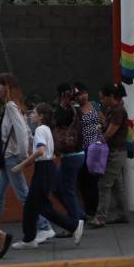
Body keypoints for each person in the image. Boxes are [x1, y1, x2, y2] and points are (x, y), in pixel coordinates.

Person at [11, 103, 84, 249]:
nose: (31, 115)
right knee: (33, 205)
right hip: (45, 167)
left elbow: (40, 151)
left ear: (41, 116)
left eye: (34, 113)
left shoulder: (40, 129)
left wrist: (22, 165)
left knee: (39, 206)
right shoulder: (45, 129)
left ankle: (73, 225)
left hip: (43, 169)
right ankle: (29, 238)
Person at [0, 73, 53, 242]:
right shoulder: (14, 106)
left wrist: (23, 155)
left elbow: (21, 132)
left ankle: (44, 227)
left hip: (11, 158)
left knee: (24, 196)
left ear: (6, 87)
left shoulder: (11, 106)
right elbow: (26, 130)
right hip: (9, 158)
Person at [89, 83, 130, 228]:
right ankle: (122, 214)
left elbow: (110, 133)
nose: (101, 101)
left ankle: (100, 218)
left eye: (103, 98)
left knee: (104, 183)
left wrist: (97, 143)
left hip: (115, 153)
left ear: (111, 97)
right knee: (117, 185)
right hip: (115, 152)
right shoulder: (113, 110)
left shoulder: (118, 111)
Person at [52, 83, 86, 223]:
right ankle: (78, 214)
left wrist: (61, 104)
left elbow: (58, 120)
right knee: (56, 188)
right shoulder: (76, 110)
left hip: (72, 155)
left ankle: (75, 223)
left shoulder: (68, 111)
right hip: (73, 155)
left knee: (67, 190)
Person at [75, 82, 104, 218]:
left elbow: (103, 119)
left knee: (95, 179)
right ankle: (89, 210)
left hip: (97, 147)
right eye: (79, 94)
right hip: (84, 148)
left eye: (84, 92)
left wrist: (101, 125)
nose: (83, 96)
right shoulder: (76, 109)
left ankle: (95, 209)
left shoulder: (95, 104)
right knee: (85, 180)